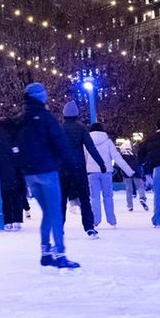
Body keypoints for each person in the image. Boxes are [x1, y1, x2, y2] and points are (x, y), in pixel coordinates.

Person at [15, 84, 80, 271]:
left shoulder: (21, 119)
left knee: (48, 213)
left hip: (30, 174)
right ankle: (60, 254)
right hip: (47, 171)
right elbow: (60, 143)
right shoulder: (46, 117)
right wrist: (71, 165)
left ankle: (45, 253)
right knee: (55, 213)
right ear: (40, 97)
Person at [59, 101, 101, 238]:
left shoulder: (60, 128)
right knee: (84, 198)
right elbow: (91, 147)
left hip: (63, 168)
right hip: (79, 168)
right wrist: (101, 163)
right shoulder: (81, 128)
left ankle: (59, 227)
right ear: (76, 114)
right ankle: (89, 227)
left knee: (61, 200)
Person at [84, 121, 133, 229]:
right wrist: (129, 171)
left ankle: (95, 220)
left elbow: (84, 158)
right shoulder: (108, 142)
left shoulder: (87, 141)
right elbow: (117, 158)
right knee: (108, 196)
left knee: (94, 197)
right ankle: (112, 220)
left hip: (91, 172)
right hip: (106, 172)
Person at [0, 117, 26, 230]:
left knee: (5, 197)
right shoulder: (16, 138)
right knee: (17, 196)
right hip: (16, 171)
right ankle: (17, 219)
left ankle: (7, 221)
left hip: (0, 172)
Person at [116, 138, 147, 213]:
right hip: (136, 172)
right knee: (140, 187)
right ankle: (142, 197)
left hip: (126, 173)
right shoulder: (133, 154)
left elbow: (118, 165)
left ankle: (130, 206)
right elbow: (139, 162)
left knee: (128, 189)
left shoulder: (122, 156)